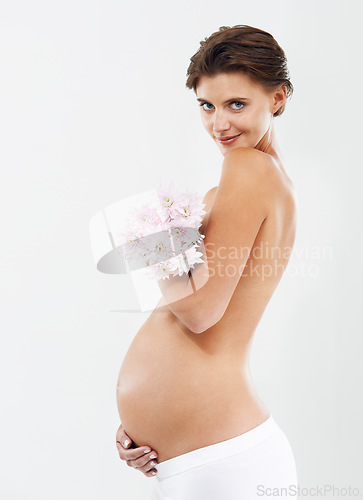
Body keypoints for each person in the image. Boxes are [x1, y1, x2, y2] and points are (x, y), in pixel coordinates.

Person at [115, 24, 298, 499]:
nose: (220, 124)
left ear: (277, 98)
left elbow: (200, 311)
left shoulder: (248, 169)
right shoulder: (261, 179)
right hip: (208, 460)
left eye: (237, 104)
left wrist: (152, 242)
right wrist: (145, 421)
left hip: (225, 460)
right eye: (207, 105)